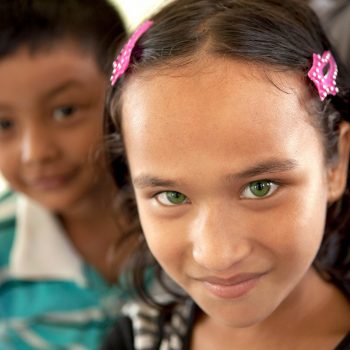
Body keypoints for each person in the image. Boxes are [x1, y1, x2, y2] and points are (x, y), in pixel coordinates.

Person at [102, 0, 350, 349]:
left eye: (260, 187)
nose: (217, 253)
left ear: (335, 163)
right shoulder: (136, 339)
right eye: (171, 196)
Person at [0, 1, 132, 349]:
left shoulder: (190, 216)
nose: (36, 152)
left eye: (65, 111)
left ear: (125, 89)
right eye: (4, 124)